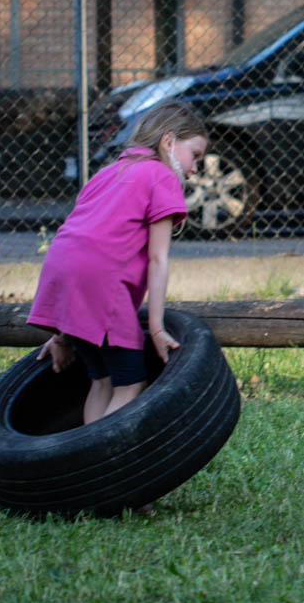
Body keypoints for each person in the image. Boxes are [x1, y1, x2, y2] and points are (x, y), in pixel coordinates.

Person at [31, 101, 207, 424]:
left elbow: (80, 242)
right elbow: (158, 258)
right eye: (194, 155)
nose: (195, 168)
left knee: (102, 381)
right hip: (103, 285)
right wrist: (155, 328)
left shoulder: (107, 172)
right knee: (130, 384)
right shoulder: (161, 176)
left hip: (60, 271)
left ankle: (80, 463)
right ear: (168, 142)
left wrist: (61, 335)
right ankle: (100, 465)